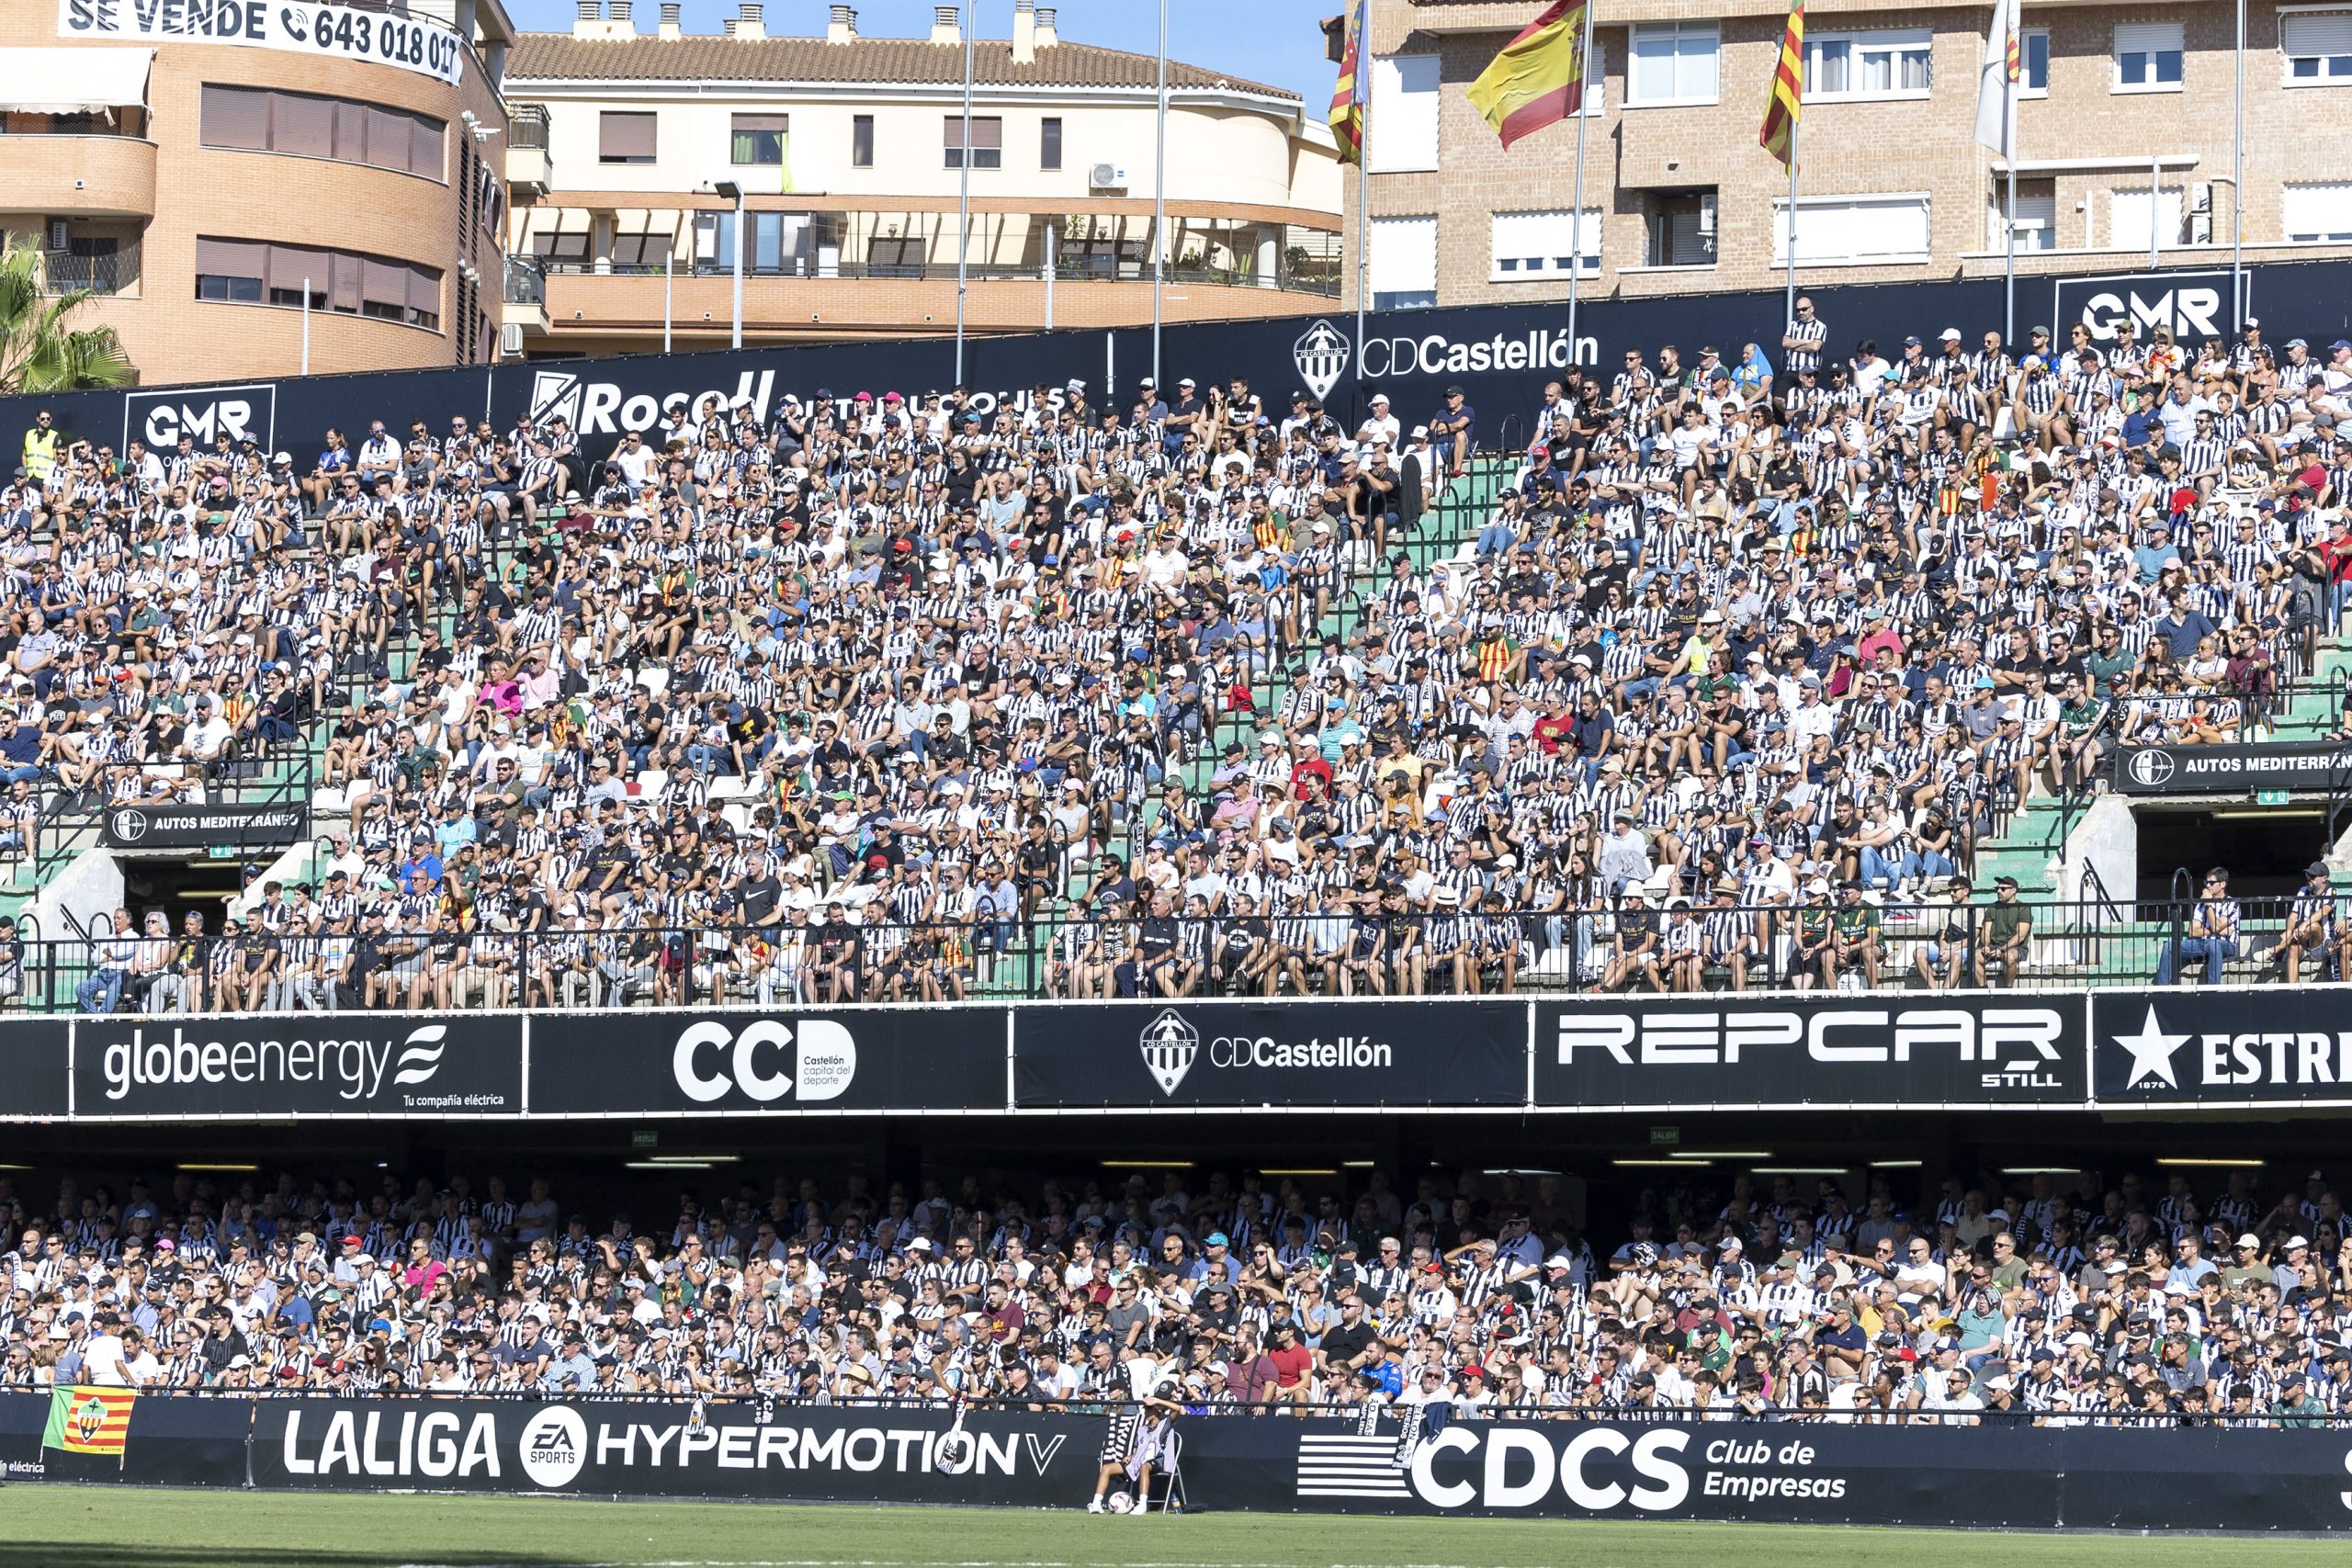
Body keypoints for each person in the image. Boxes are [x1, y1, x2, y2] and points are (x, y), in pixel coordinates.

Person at [2155, 865, 2242, 987]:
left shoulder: (2232, 903)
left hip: (2225, 945)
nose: (2207, 886)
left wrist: (2208, 904)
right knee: (2170, 946)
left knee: (2214, 944)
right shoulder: (2201, 904)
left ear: (2223, 884)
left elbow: (2216, 926)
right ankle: (2161, 988)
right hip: (2202, 943)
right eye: (2206, 882)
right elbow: (2193, 931)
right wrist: (2213, 931)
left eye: (2211, 883)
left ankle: (2213, 988)